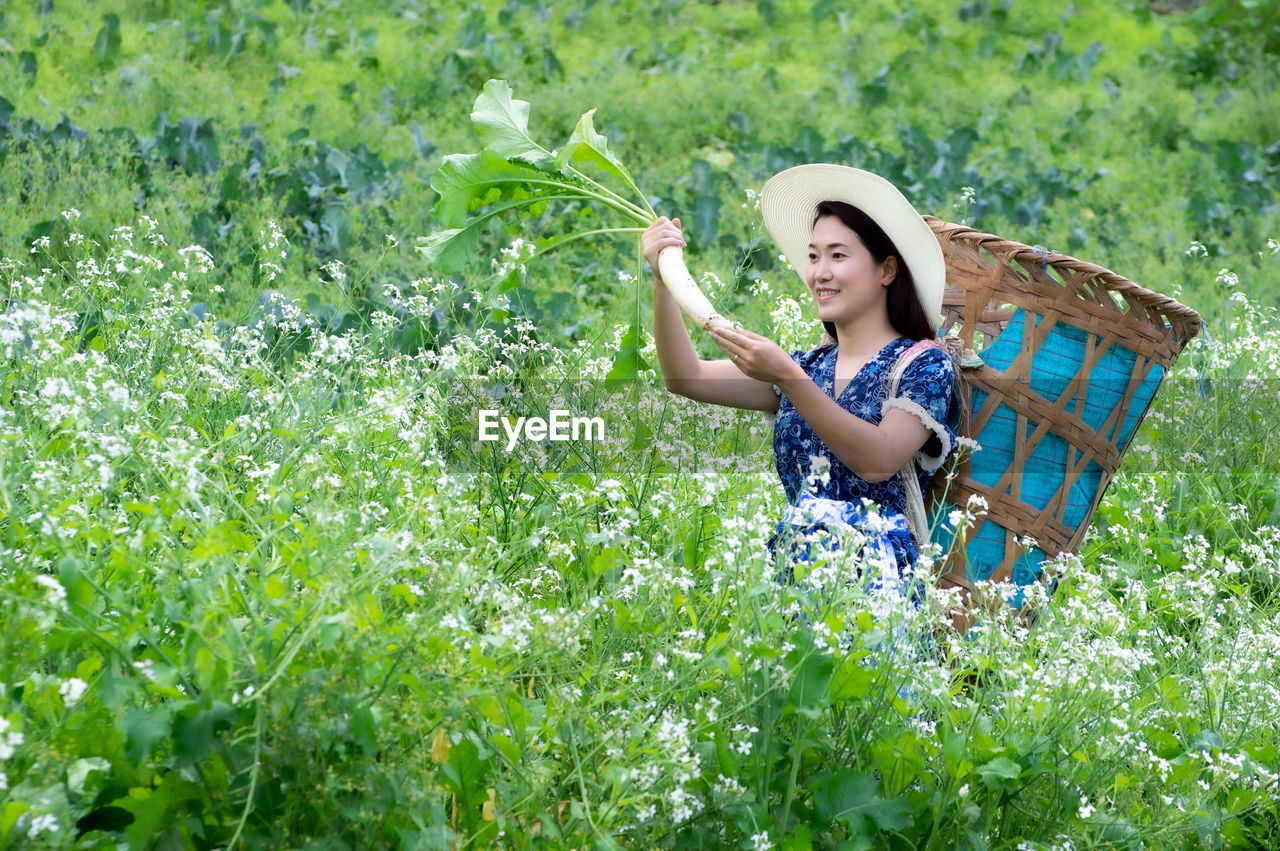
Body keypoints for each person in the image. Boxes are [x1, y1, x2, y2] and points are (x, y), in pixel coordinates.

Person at [641, 164, 959, 600]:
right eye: (813, 256)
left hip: (876, 584)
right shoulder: (809, 367)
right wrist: (663, 279)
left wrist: (788, 379)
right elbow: (686, 377)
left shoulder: (922, 366)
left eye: (838, 255)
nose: (819, 273)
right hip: (793, 573)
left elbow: (878, 459)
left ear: (887, 270)